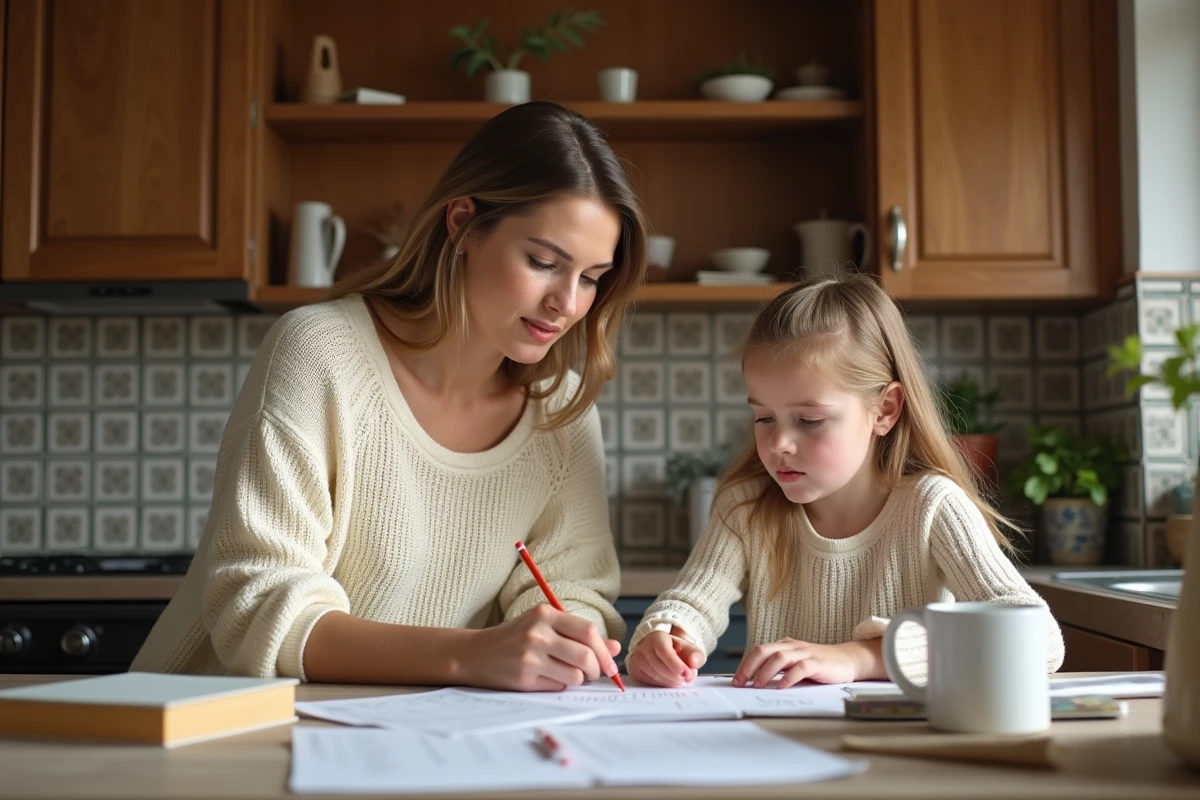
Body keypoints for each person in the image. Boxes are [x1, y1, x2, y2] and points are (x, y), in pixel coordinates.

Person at [132, 101, 649, 692]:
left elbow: (573, 589)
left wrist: (563, 642)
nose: (568, 303)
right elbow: (259, 602)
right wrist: (473, 655)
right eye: (542, 262)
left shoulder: (562, 406)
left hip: (393, 734)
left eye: (590, 277)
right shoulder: (319, 351)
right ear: (462, 224)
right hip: (212, 727)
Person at [626, 274, 1065, 689]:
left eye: (809, 420)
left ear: (885, 410)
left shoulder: (932, 506)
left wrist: (864, 658)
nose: (779, 442)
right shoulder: (746, 508)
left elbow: (1040, 639)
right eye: (764, 417)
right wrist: (666, 638)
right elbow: (691, 603)